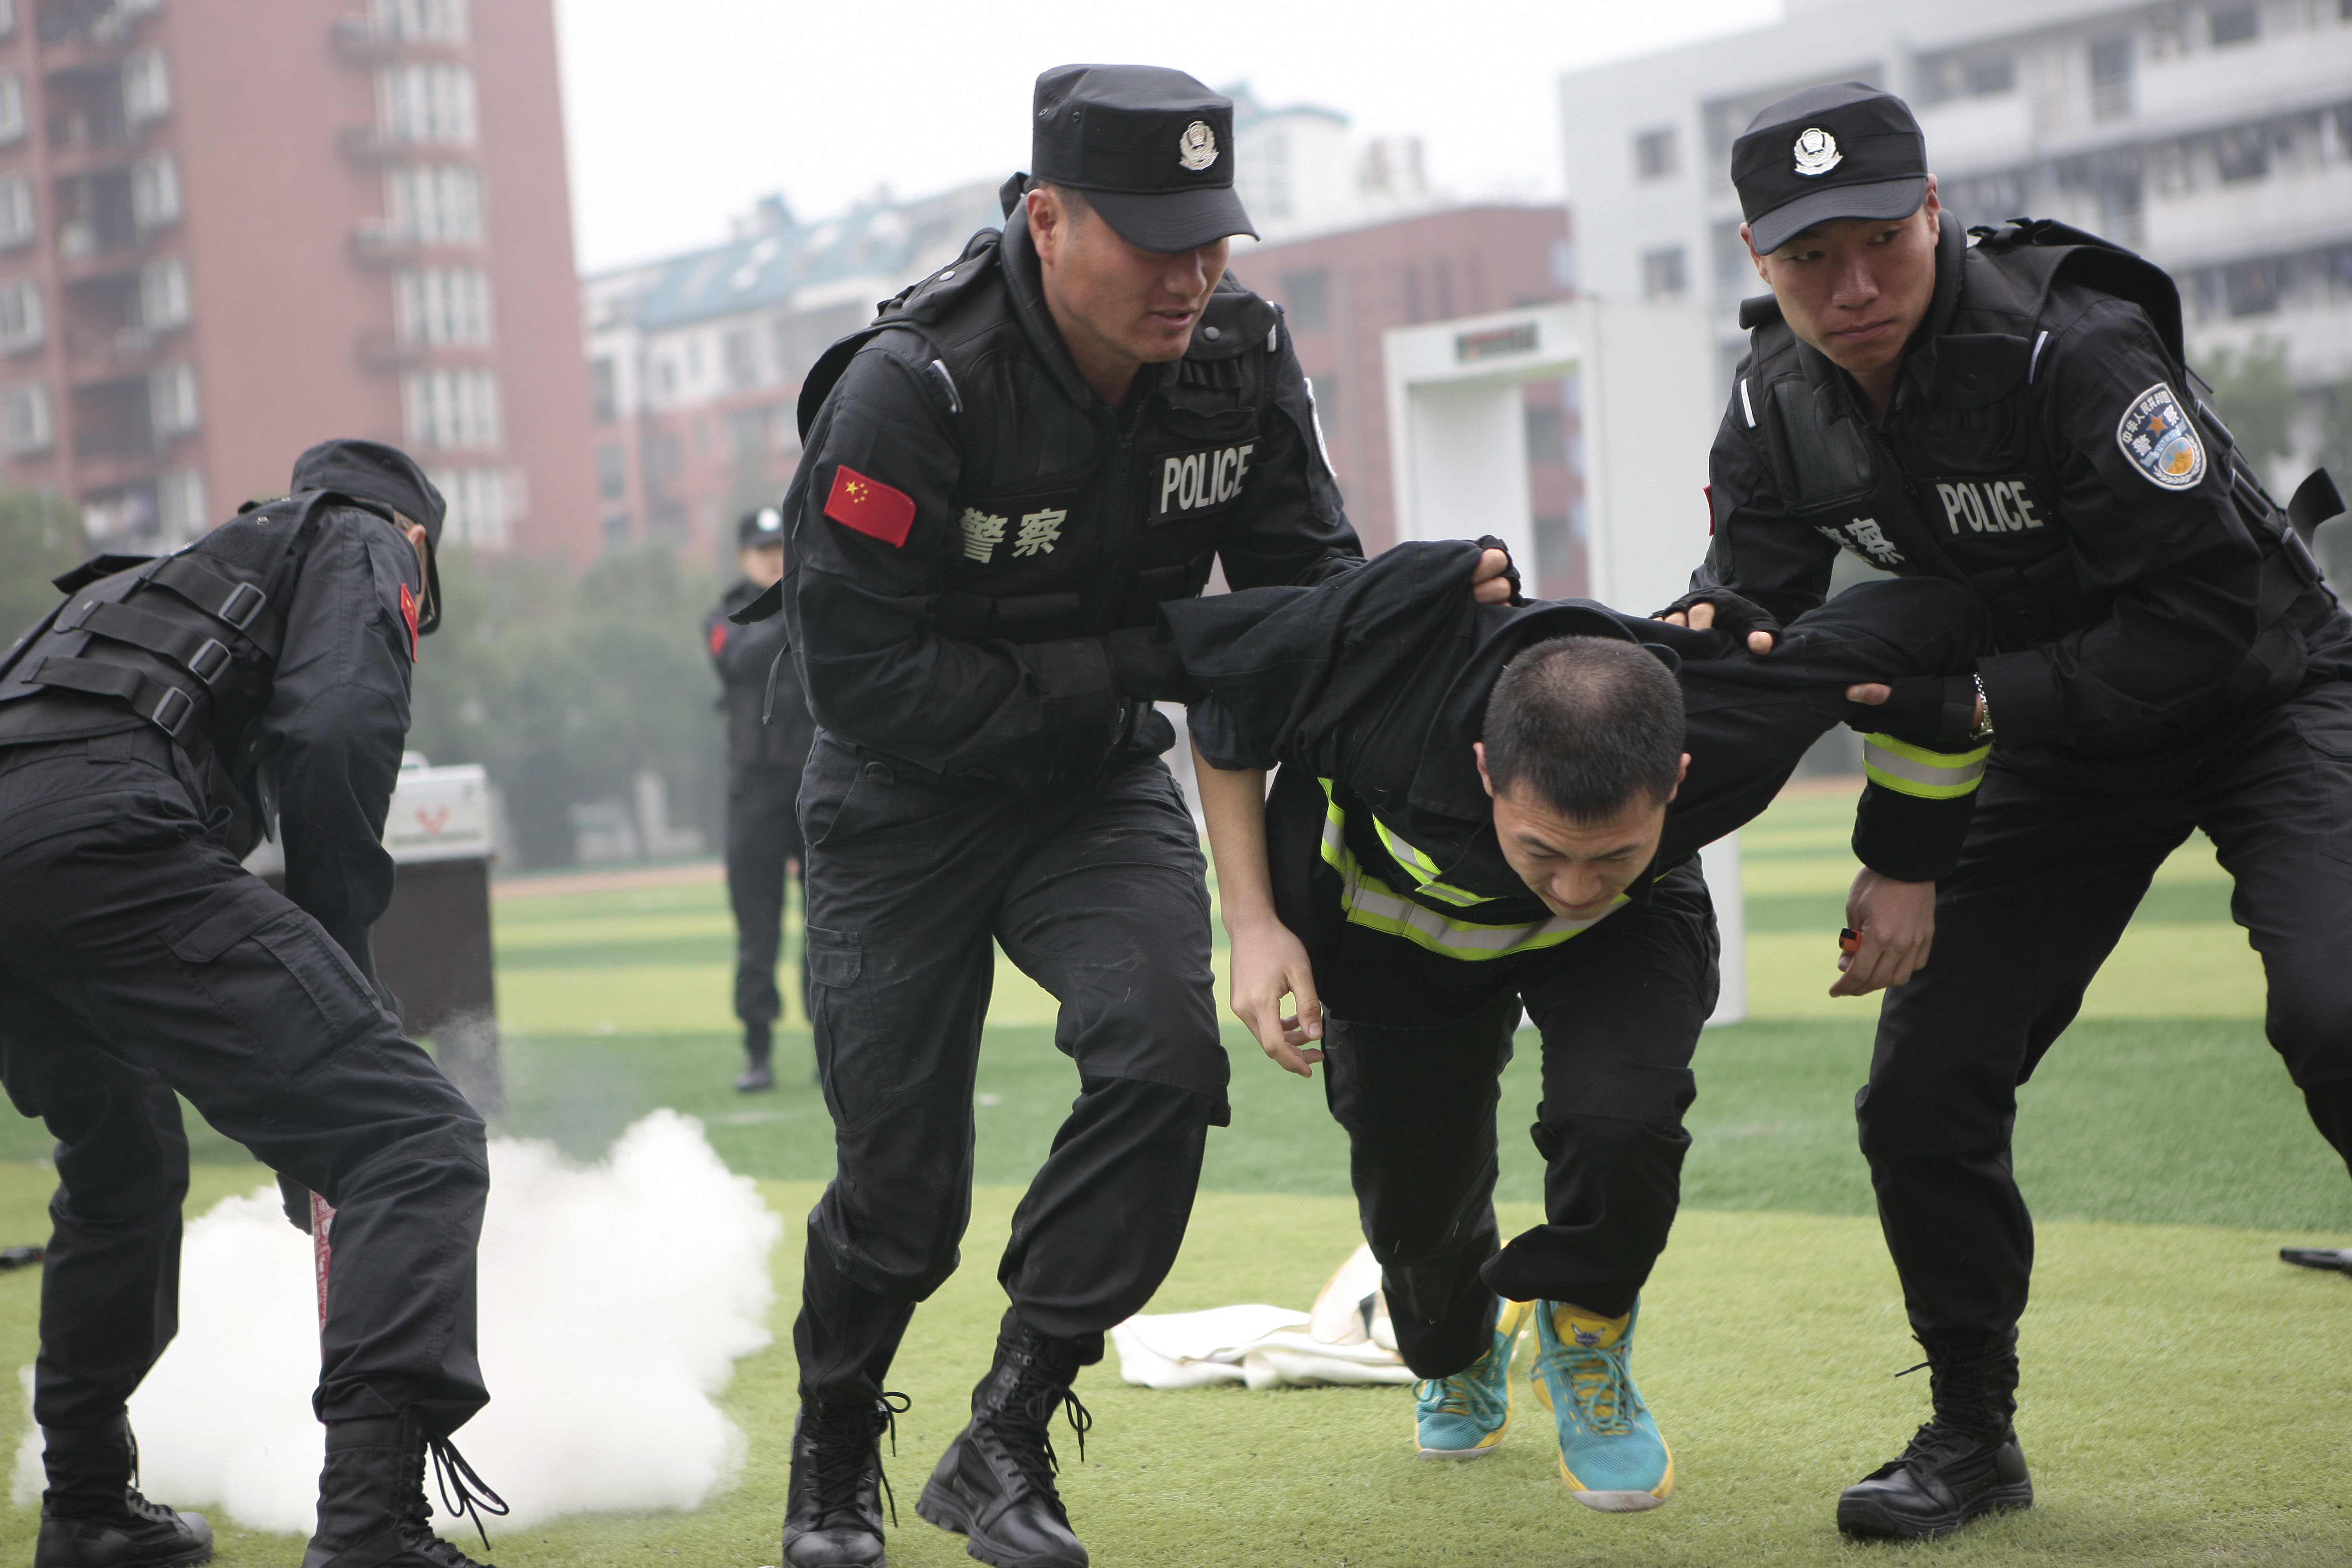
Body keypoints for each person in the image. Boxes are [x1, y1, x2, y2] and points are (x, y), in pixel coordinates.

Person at [741, 63, 1519, 1568]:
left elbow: (1296, 595)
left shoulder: (1234, 349)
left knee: (1163, 1059)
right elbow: (863, 676)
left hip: (1090, 788)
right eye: (1154, 238)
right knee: (902, 1196)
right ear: (1046, 219)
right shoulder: (914, 385)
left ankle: (1010, 1431)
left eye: (1211, 234)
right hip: (895, 802)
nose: (1193, 272)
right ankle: (836, 1438)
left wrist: (1415, 612)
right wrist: (1148, 658)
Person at [1674, 80, 2352, 1541]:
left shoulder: (2070, 347)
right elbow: (1759, 618)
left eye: (1879, 242)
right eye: (1808, 259)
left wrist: (1975, 711)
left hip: (2260, 694)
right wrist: (1645, 677)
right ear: (1754, 256)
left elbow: (2196, 615)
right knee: (1918, 1092)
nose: (1849, 288)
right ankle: (1969, 1434)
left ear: (1932, 213)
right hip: (2056, 746)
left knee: (2334, 1006)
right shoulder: (1771, 401)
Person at [1168, 535, 1992, 1513]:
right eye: (1545, 850)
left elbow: (1937, 642)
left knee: (1623, 1123)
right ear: (1483, 766)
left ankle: (1587, 1328)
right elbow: (1223, 698)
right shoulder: (1380, 697)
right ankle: (1457, 1351)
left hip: (1625, 940)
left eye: (1610, 851)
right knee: (1418, 1209)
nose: (1569, 886)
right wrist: (1254, 925)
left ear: (1679, 776)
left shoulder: (1735, 710)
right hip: (1393, 937)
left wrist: (1907, 863)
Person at [0, 440, 500, 1568]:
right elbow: (333, 738)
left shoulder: (163, 572)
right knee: (411, 1136)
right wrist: (347, 997)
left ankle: (85, 1508)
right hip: (102, 832)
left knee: (123, 1166)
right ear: (419, 540)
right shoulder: (363, 535)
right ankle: (370, 1526)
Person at [707, 505, 817, 1092]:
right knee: (757, 936)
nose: (774, 559)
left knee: (825, 929)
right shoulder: (725, 617)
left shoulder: (817, 605)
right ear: (743, 557)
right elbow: (739, 659)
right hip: (753, 793)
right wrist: (796, 603)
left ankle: (831, 1053)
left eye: (782, 549)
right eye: (763, 551)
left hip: (815, 788)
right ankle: (758, 1053)